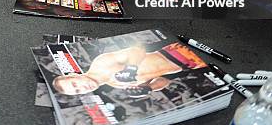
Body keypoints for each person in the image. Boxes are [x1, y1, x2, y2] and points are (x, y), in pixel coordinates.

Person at [52, 43, 205, 97]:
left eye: (75, 85)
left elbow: (137, 50)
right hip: (190, 65)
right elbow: (165, 81)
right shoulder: (117, 86)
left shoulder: (100, 63)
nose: (82, 88)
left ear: (74, 75)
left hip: (178, 52)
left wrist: (131, 68)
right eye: (78, 91)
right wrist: (148, 88)